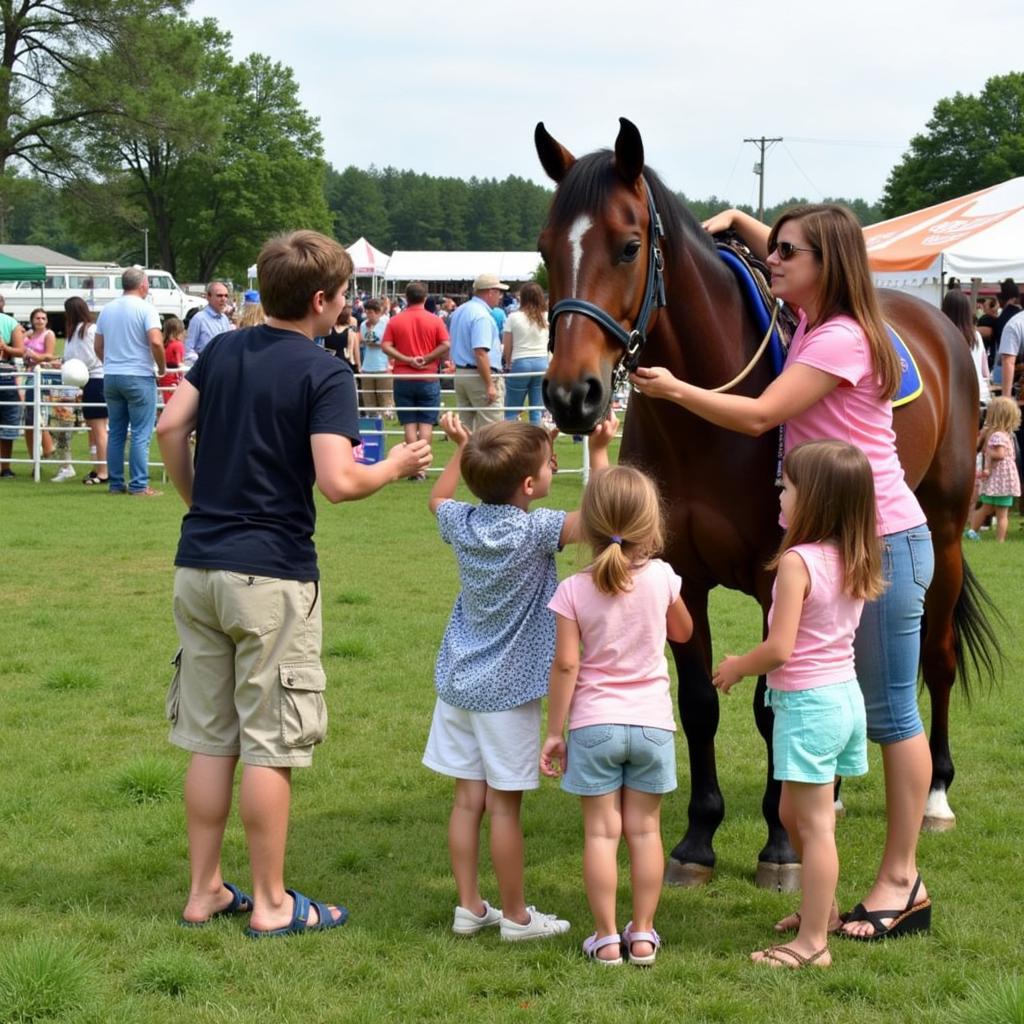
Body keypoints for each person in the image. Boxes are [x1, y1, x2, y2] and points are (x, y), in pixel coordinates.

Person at [633, 203, 935, 941]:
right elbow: (791, 249)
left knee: (892, 711)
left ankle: (903, 879)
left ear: (823, 267)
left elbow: (759, 415)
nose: (774, 260)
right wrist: (740, 219)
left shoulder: (837, 340)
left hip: (883, 540)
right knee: (863, 702)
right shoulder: (817, 311)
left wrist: (673, 390)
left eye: (787, 253)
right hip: (847, 540)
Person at [156, 229, 432, 938]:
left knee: (211, 739)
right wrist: (398, 468)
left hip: (200, 566)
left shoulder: (219, 348)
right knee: (271, 742)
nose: (345, 308)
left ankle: (204, 890)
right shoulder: (326, 372)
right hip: (269, 574)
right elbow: (339, 483)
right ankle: (274, 904)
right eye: (343, 297)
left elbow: (169, 428)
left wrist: (199, 503)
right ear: (323, 301)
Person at [423, 410, 616, 942]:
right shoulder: (538, 530)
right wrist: (597, 451)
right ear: (530, 484)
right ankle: (515, 916)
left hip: (458, 683)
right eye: (547, 465)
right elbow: (600, 520)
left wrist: (460, 450)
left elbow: (437, 499)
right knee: (504, 809)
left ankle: (470, 907)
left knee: (468, 801)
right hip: (506, 694)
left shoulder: (461, 521)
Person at [713, 440, 886, 968]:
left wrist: (740, 664)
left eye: (786, 486)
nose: (779, 494)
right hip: (841, 701)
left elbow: (780, 648)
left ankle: (813, 944)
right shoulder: (854, 555)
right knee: (793, 811)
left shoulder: (797, 562)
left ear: (814, 500)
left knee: (813, 826)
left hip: (810, 706)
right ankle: (824, 910)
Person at [540, 465, 693, 966]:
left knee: (601, 835)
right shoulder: (664, 578)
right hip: (652, 726)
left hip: (594, 726)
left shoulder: (572, 590)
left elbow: (566, 664)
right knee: (646, 833)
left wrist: (554, 732)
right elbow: (684, 633)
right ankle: (644, 935)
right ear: (652, 525)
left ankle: (607, 938)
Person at [95, 267, 167, 496]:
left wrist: (110, 363)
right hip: (138, 374)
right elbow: (156, 342)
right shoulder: (147, 309)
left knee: (116, 431)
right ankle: (138, 484)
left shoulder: (107, 310)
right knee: (140, 433)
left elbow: (98, 346)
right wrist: (162, 367)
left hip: (112, 375)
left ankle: (115, 483)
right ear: (143, 285)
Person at [382, 280, 450, 477]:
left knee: (409, 423)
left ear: (406, 297)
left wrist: (406, 360)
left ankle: (414, 468)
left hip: (403, 377)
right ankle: (422, 468)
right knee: (427, 424)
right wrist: (427, 358)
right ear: (425, 298)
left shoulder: (395, 320)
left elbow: (386, 346)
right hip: (428, 377)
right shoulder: (435, 320)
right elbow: (445, 344)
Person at [448, 275, 507, 431]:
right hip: (479, 376)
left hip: (462, 373)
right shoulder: (482, 316)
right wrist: (489, 385)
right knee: (491, 430)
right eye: (499, 292)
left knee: (465, 429)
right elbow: (480, 352)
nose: (500, 297)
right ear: (490, 292)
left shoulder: (460, 310)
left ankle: (464, 455)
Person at [63, 296, 108, 486]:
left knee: (99, 429)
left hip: (94, 379)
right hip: (91, 380)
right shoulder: (84, 330)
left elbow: (71, 357)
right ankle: (97, 467)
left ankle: (104, 470)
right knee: (95, 428)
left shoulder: (81, 332)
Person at [964, 397, 1021, 542]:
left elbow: (999, 454)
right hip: (1002, 481)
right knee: (999, 512)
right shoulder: (1005, 435)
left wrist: (988, 452)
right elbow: (1002, 454)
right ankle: (995, 539)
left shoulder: (998, 435)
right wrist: (989, 454)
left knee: (987, 508)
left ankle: (974, 531)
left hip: (998, 480)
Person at [503, 283, 549, 424]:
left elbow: (507, 346)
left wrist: (508, 362)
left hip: (520, 362)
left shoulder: (513, 317)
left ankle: (511, 441)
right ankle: (535, 443)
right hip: (542, 362)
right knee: (536, 410)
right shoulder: (546, 317)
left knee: (512, 409)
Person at [941, 289, 989, 418]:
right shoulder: (976, 336)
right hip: (981, 396)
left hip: (957, 399)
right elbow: (985, 372)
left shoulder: (944, 336)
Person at [22, 307, 58, 463]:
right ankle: (35, 455)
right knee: (29, 415)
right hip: (28, 374)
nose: (40, 321)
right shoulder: (29, 335)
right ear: (32, 320)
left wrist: (35, 356)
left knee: (37, 412)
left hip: (42, 375)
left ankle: (48, 448)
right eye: (37, 318)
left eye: (43, 318)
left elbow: (50, 355)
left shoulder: (48, 334)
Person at [0, 294, 26, 477]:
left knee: (8, 421)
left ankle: (5, 467)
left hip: (6, 375)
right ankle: (5, 468)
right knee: (8, 422)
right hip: (6, 375)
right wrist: (7, 348)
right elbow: (20, 351)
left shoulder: (11, 322)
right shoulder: (11, 323)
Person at [184, 281, 234, 364]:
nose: (223, 299)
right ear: (208, 297)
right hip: (206, 368)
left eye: (226, 296)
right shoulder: (199, 319)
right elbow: (188, 349)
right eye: (219, 295)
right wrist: (202, 362)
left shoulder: (224, 319)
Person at [358, 299, 392, 419]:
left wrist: (376, 343)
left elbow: (389, 343)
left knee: (384, 396)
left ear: (378, 312)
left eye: (371, 312)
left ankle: (386, 420)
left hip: (383, 366)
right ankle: (372, 421)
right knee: (369, 397)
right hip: (367, 366)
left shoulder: (387, 323)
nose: (368, 315)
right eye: (367, 312)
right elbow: (363, 340)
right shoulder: (363, 325)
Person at [158, 317, 186, 406]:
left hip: (164, 378)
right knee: (175, 404)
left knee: (166, 402)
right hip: (174, 378)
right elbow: (179, 363)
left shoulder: (164, 345)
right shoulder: (178, 345)